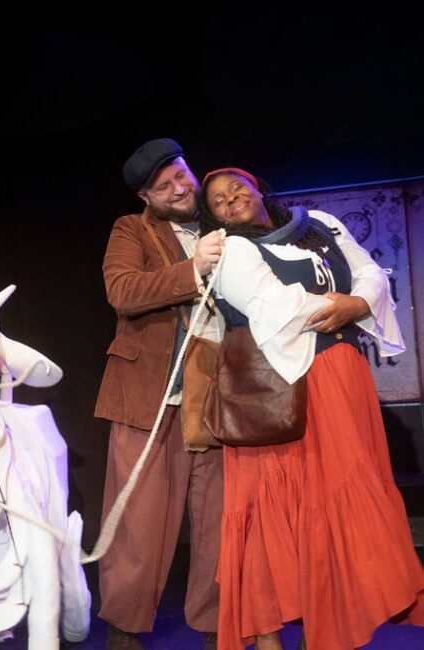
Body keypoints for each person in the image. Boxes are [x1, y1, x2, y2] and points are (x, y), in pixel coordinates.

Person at [198, 167, 424, 650]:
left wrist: (359, 300)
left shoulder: (320, 224)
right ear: (213, 216)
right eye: (217, 200)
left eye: (237, 186)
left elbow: (368, 273)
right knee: (269, 504)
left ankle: (333, 620)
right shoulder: (231, 251)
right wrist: (341, 308)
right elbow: (272, 305)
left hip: (343, 380)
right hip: (279, 389)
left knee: (340, 498)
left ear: (259, 188)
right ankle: (267, 634)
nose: (231, 198)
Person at [94, 138, 225, 650]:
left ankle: (217, 631)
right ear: (146, 196)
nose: (180, 188)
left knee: (218, 524)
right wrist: (194, 269)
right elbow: (122, 290)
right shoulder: (132, 229)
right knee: (139, 528)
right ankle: (124, 634)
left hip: (216, 400)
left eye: (182, 175)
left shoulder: (221, 226)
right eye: (165, 186)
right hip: (151, 397)